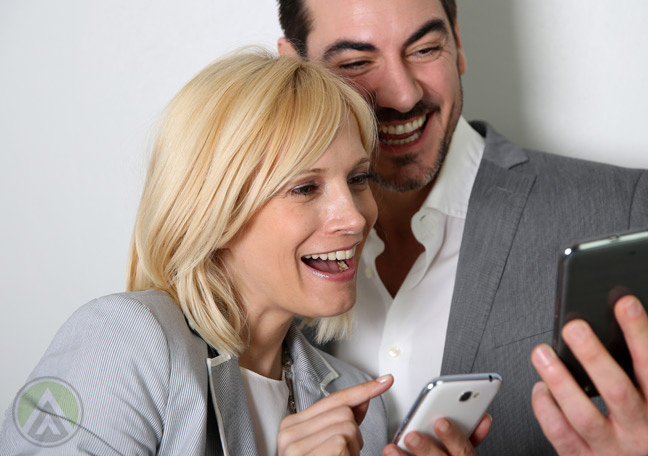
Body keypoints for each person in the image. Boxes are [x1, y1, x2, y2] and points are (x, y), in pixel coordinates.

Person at [275, 0, 648, 454]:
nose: (403, 95)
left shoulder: (625, 209)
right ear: (294, 70)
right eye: (356, 63)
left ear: (458, 40)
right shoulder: (246, 247)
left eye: (425, 49)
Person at [1, 51, 399, 456]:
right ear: (215, 210)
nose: (354, 217)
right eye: (305, 188)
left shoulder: (360, 403)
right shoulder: (126, 341)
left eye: (357, 178)